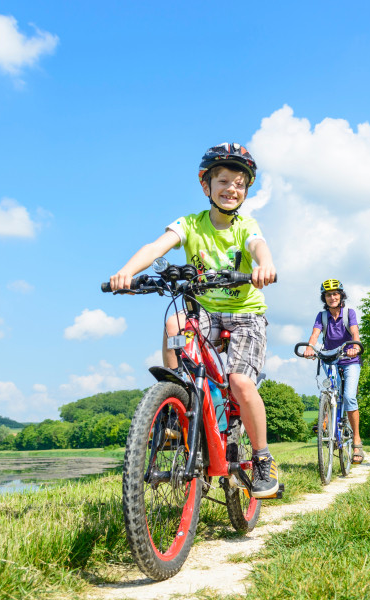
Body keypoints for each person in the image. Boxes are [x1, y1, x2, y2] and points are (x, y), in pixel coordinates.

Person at [109, 143, 281, 498]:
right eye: (223, 181)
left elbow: (257, 247)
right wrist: (127, 272)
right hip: (203, 311)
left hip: (245, 315)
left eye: (239, 183)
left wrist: (265, 265)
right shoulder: (189, 224)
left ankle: (263, 458)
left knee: (239, 381)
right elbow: (155, 248)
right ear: (206, 186)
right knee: (174, 323)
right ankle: (178, 409)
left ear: (246, 191)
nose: (231, 188)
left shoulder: (245, 226)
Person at [302, 278, 364, 464]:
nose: (332, 297)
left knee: (349, 397)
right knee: (330, 391)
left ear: (341, 295)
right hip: (331, 358)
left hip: (350, 359)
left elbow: (355, 333)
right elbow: (315, 334)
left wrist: (355, 346)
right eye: (328, 295)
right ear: (324, 298)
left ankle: (357, 441)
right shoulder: (321, 316)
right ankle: (327, 418)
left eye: (335, 294)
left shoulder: (349, 313)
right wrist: (310, 347)